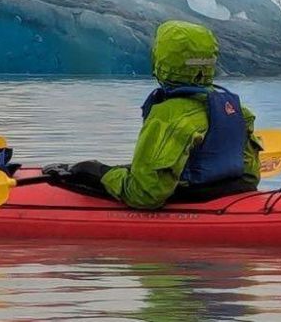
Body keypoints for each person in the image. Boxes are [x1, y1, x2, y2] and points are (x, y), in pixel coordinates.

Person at [51, 20, 261, 209]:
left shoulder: (169, 117)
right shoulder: (237, 110)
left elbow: (144, 195)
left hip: (189, 200)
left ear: (163, 60)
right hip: (228, 197)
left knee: (92, 170)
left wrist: (98, 172)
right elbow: (251, 176)